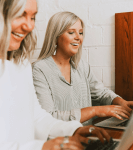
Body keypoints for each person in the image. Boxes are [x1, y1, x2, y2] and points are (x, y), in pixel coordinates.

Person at [0, 0, 111, 150]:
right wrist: (42, 147)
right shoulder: (38, 68)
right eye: (20, 15)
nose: (29, 26)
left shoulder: (22, 64)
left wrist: (73, 129)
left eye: (33, 17)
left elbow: (37, 116)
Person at [32, 11, 133, 125]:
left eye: (81, 33)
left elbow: (101, 93)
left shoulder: (82, 66)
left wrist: (121, 102)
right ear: (56, 36)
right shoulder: (39, 69)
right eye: (71, 32)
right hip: (61, 140)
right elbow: (49, 117)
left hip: (88, 135)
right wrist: (95, 110)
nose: (78, 37)